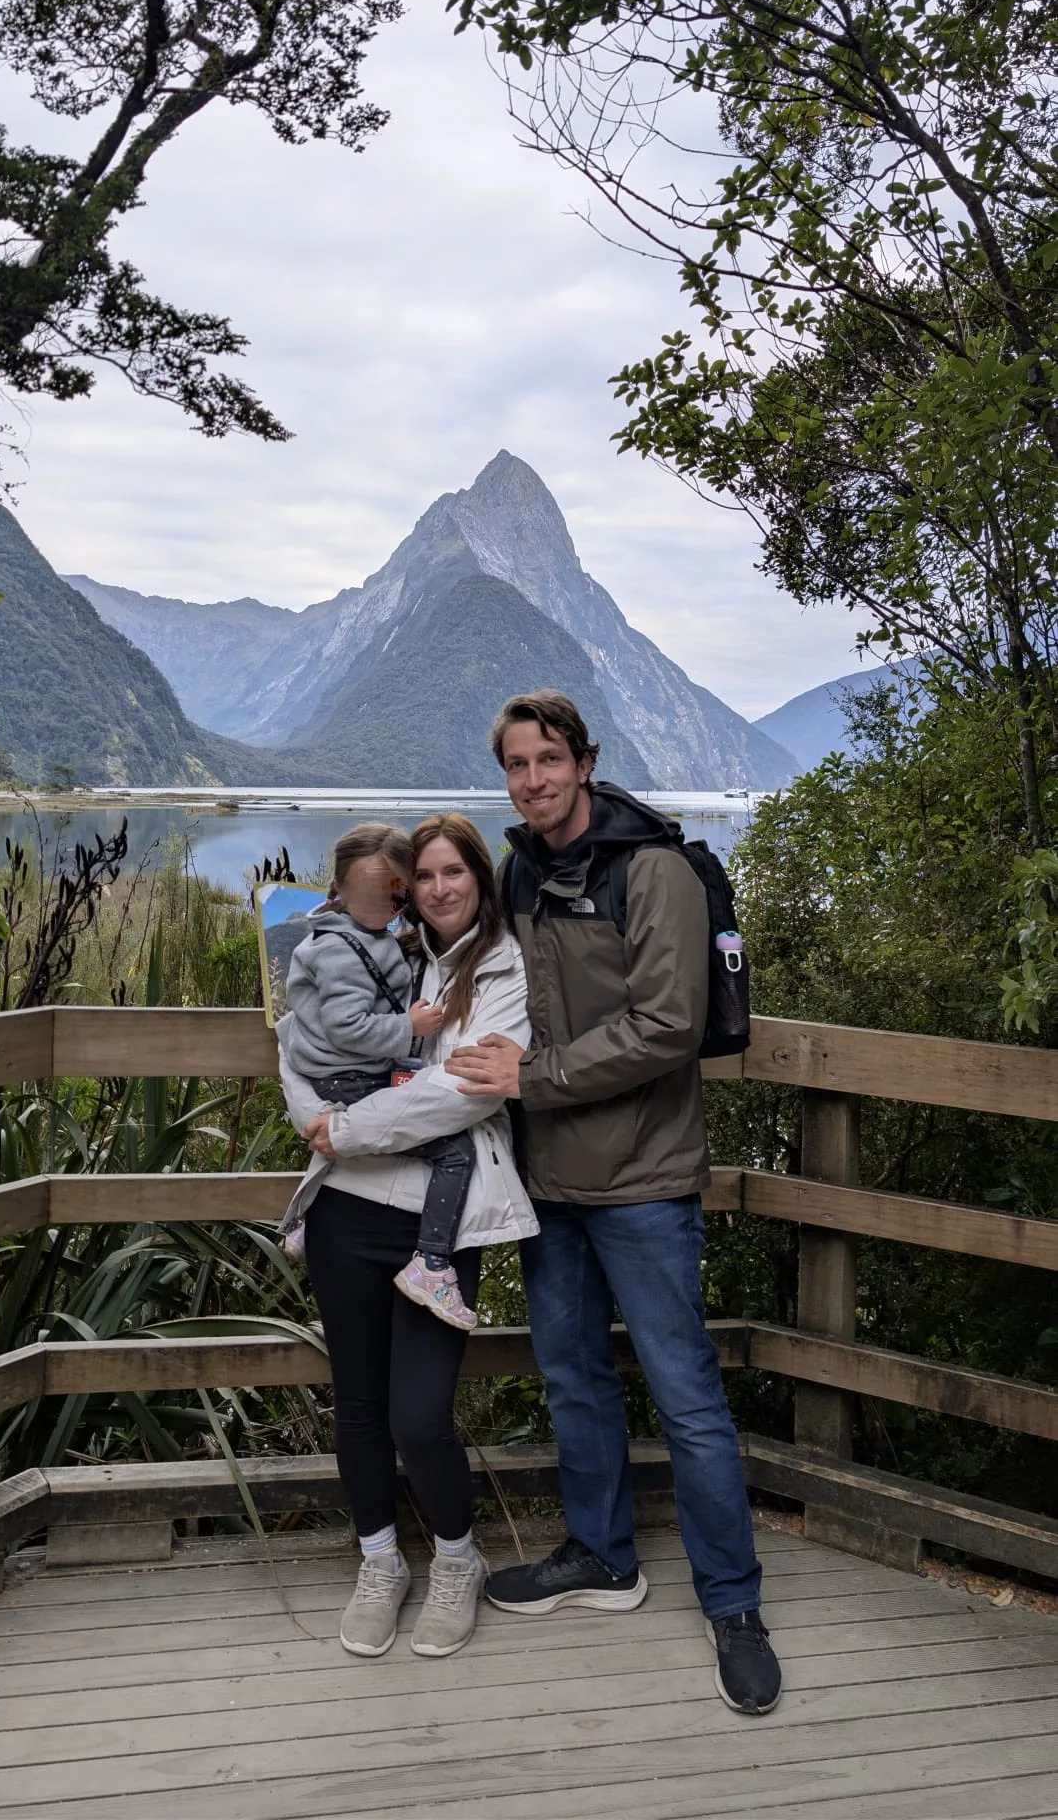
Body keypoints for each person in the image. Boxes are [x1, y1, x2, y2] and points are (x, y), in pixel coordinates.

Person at [446, 691, 782, 1716]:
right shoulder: (520, 869)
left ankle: (732, 1603)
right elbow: (487, 982)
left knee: (685, 1398)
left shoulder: (657, 872)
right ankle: (600, 1558)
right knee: (573, 1380)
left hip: (642, 1180)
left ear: (584, 762)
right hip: (548, 1182)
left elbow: (668, 1025)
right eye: (514, 764)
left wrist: (531, 1076)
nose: (532, 780)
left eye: (548, 760)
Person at [277, 813, 538, 1661]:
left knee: (420, 1416)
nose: (437, 889)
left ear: (478, 878)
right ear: (400, 887)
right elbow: (294, 1037)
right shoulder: (371, 947)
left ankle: (458, 1559)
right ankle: (381, 1560)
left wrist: (346, 1128)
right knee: (357, 1404)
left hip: (439, 1221)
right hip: (348, 1211)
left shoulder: (499, 965)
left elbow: (466, 1094)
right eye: (421, 877)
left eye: (452, 873)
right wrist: (316, 1114)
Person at [278, 822, 478, 1331]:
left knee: (369, 1108)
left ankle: (305, 1223)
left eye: (397, 892)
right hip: (348, 1075)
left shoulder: (353, 933)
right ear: (343, 888)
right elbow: (347, 1026)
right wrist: (407, 1025)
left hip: (337, 1077)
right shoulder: (344, 948)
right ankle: (433, 1264)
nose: (393, 903)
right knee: (455, 1154)